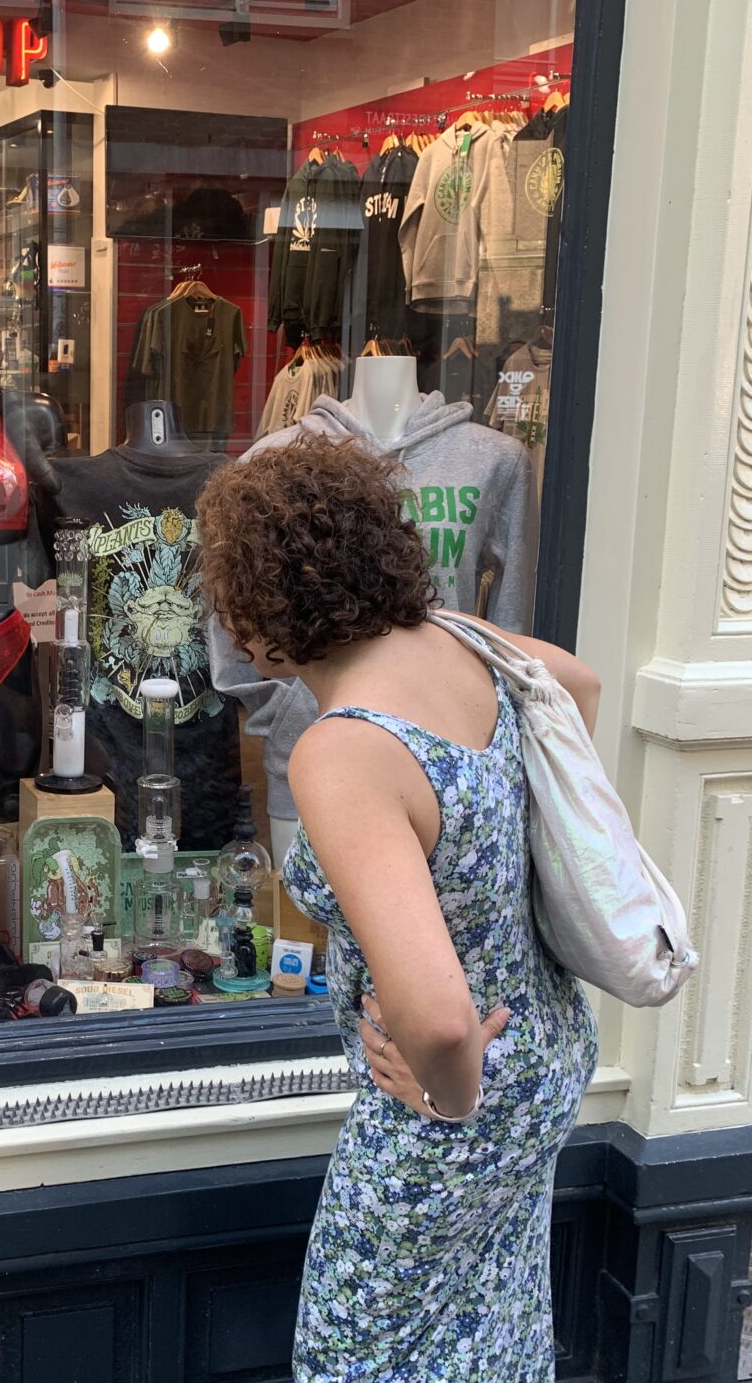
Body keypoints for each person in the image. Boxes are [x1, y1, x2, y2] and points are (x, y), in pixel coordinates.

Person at [195, 434, 599, 1382]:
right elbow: (579, 684)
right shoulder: (463, 647)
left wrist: (448, 1100)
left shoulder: (345, 750)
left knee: (356, 1358)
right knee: (492, 1339)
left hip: (451, 1100)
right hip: (548, 1051)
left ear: (259, 614)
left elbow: (442, 1020)